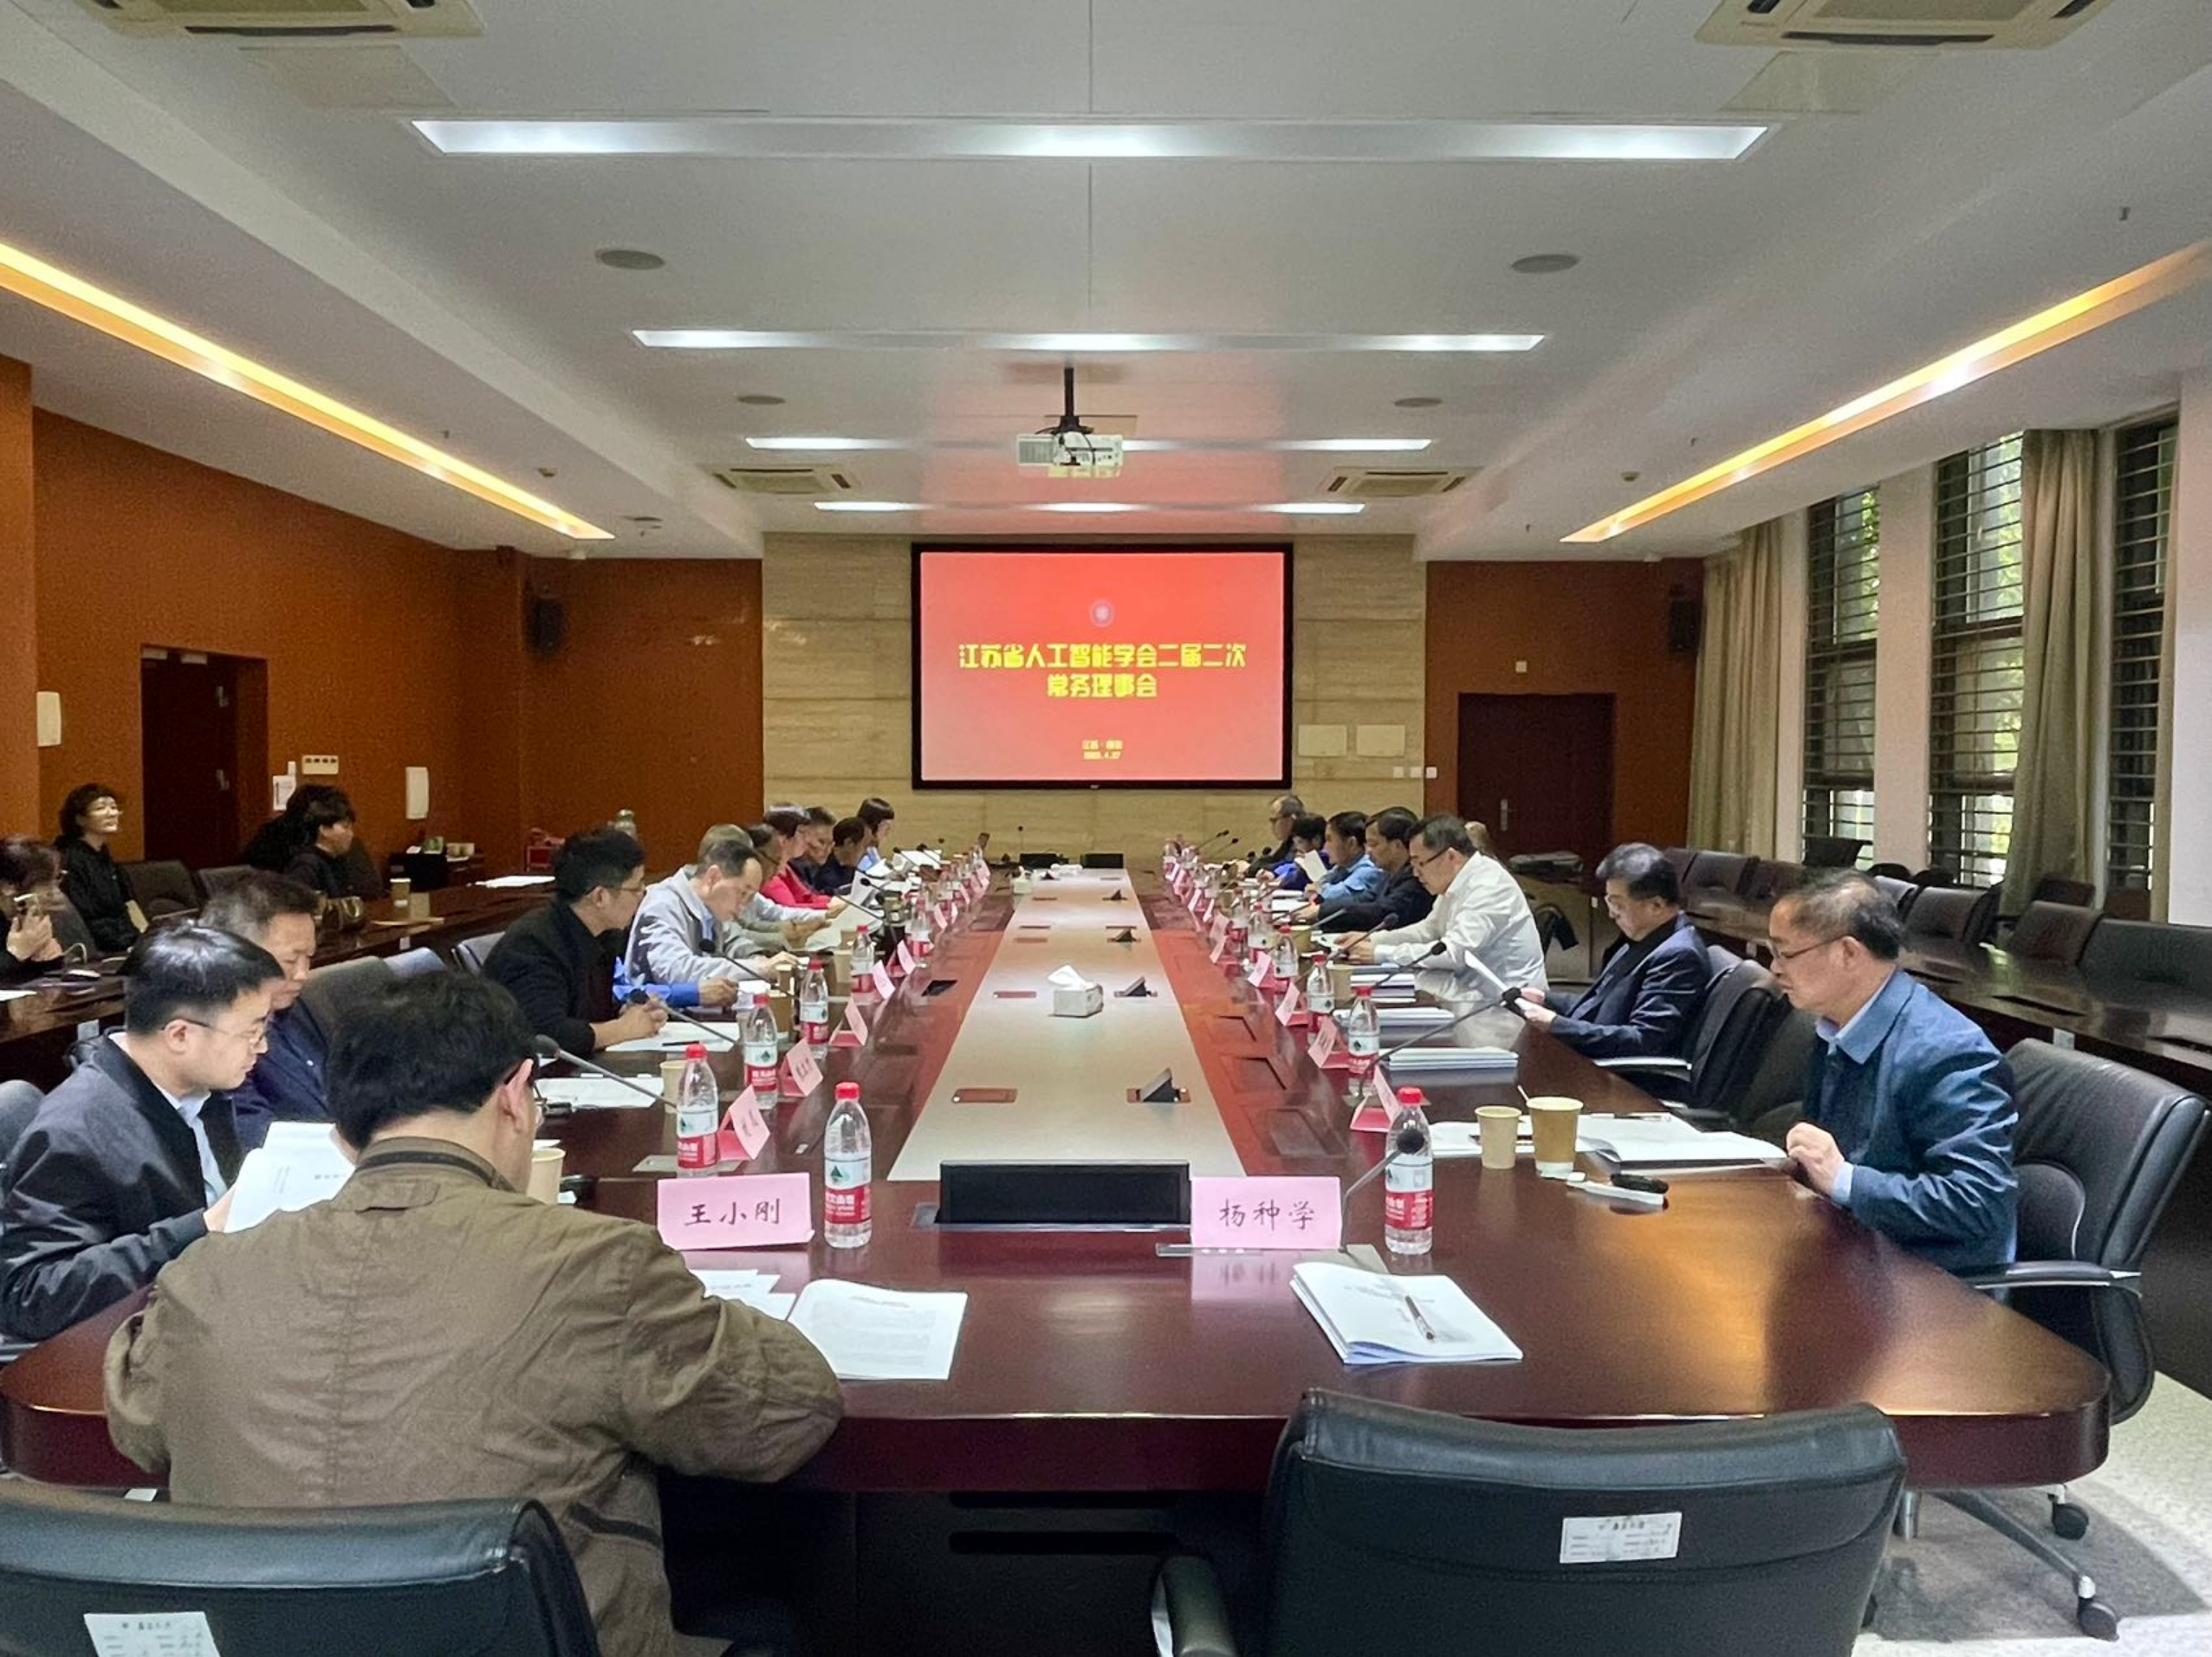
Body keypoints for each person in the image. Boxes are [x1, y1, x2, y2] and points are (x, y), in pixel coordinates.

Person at [104, 973, 842, 1657]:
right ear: (517, 1094)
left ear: (342, 1136)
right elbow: (786, 1415)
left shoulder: (204, 1274)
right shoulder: (596, 1264)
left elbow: (137, 1424)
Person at [0, 924, 279, 1342]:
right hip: (134, 1345)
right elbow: (31, 1296)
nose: (262, 1047)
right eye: (251, 1033)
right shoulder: (74, 1131)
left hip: (211, 1307)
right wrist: (202, 1227)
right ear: (180, 1035)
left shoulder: (204, 1085)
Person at [1768, 871, 2017, 1273]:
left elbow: (1977, 1203)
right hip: (1855, 1252)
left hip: (1932, 1285)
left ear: (1848, 953)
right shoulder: (1837, 1026)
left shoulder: (1946, 1051)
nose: (1774, 968)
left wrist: (1845, 1179)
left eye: (1785, 953)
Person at [1516, 843, 1709, 1060]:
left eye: (1618, 905)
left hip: (1619, 1074)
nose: (1612, 914)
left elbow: (1643, 1041)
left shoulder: (1678, 957)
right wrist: (1546, 1000)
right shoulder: (1643, 940)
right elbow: (1598, 1006)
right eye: (1609, 902)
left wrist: (1554, 1024)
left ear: (1656, 906)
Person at [483, 828, 666, 1056]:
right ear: (600, 897)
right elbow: (546, 1034)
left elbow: (588, 1015)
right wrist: (623, 1029)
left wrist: (627, 1014)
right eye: (636, 888)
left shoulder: (604, 934)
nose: (643, 895)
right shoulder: (533, 945)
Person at [1348, 813, 1548, 1000]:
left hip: (1508, 1003)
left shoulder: (1489, 887)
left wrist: (1382, 953)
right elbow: (1429, 930)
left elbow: (1455, 953)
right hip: (1468, 993)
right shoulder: (1458, 880)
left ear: (1451, 857)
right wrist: (1373, 939)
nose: (1416, 873)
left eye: (1420, 864)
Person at [202, 873, 327, 1150]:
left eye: (309, 958)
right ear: (235, 953)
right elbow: (256, 1139)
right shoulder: (214, 1034)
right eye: (290, 960)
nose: (303, 974)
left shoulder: (294, 1004)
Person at [623, 832, 788, 1006]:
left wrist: (757, 958)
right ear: (713, 878)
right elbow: (676, 971)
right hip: (659, 1015)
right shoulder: (662, 904)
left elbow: (732, 941)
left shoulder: (710, 906)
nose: (744, 907)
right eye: (743, 893)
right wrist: (759, 968)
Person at [1314, 806, 1432, 934]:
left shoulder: (1416, 879)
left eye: (1373, 844)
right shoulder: (1388, 874)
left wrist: (1323, 911)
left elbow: (1382, 912)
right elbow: (1366, 899)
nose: (1368, 851)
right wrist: (1322, 907)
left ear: (1396, 846)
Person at [55, 782, 139, 953]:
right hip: (99, 948)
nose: (112, 813)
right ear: (80, 819)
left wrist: (141, 937)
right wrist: (127, 943)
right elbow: (85, 918)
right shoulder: (70, 859)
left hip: (123, 941)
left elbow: (124, 906)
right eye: (101, 808)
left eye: (114, 807)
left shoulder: (102, 854)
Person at [2, 835, 71, 985]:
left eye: (56, 879)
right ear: (8, 886)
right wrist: (15, 954)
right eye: (46, 883)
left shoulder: (21, 918)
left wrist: (48, 960)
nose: (55, 892)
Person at [282, 787, 361, 899]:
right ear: (324, 829)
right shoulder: (306, 865)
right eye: (345, 827)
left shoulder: (339, 860)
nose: (351, 834)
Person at [759, 806, 833, 910]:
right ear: (782, 837)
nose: (807, 840)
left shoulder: (786, 868)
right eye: (802, 833)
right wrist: (831, 906)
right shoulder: (769, 872)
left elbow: (808, 897)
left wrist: (838, 901)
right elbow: (789, 909)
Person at [1307, 811, 1382, 909]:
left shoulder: (1369, 868)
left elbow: (1334, 896)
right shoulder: (1342, 867)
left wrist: (1318, 889)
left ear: (1351, 843)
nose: (1325, 847)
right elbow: (1318, 884)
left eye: (1329, 840)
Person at [1269, 812, 1328, 892]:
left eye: (1300, 842)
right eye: (1295, 843)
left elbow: (1297, 880)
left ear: (1316, 840)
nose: (1297, 847)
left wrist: (1282, 882)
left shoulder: (1324, 859)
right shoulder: (1304, 857)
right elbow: (1291, 866)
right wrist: (1274, 873)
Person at [1247, 794, 1304, 875]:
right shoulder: (1289, 840)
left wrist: (1250, 869)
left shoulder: (1303, 840)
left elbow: (1285, 864)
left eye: (1274, 820)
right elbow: (1274, 859)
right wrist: (1251, 864)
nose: (1272, 826)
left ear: (1290, 820)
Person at [813, 817, 868, 897]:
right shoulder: (825, 876)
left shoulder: (849, 866)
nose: (866, 852)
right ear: (849, 843)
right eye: (864, 846)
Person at [791, 806, 837, 892]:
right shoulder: (785, 868)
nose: (827, 850)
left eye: (831, 843)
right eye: (821, 842)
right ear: (801, 835)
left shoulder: (819, 867)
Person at [853, 796, 897, 873]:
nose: (887, 833)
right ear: (873, 824)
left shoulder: (872, 847)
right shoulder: (856, 851)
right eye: (886, 828)